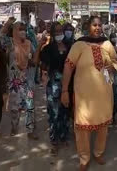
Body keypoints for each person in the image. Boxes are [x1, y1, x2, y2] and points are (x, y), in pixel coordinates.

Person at [60, 16, 117, 171]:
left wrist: (113, 67)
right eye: (94, 25)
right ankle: (84, 158)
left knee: (103, 126)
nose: (97, 28)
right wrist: (65, 90)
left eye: (100, 25)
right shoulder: (79, 44)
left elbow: (115, 61)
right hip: (83, 96)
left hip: (104, 94)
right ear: (88, 26)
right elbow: (68, 67)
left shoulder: (107, 43)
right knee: (82, 127)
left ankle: (98, 153)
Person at [34, 22, 72, 156]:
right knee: (54, 113)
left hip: (68, 85)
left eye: (61, 31)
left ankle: (64, 136)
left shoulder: (70, 46)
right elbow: (36, 61)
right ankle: (54, 141)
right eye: (56, 32)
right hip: (54, 86)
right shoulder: (48, 49)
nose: (59, 34)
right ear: (52, 34)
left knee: (65, 112)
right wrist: (40, 44)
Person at [1, 19, 38, 140]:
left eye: (23, 29)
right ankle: (14, 126)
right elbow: (0, 36)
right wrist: (7, 24)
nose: (22, 32)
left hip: (27, 79)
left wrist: (33, 60)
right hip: (14, 82)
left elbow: (33, 60)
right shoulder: (10, 43)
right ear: (15, 31)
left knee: (30, 105)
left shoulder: (28, 43)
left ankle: (30, 130)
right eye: (19, 29)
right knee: (14, 107)